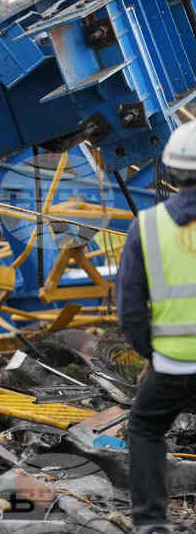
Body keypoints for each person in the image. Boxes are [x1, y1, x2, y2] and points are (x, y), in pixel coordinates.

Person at [117, 121, 196, 534]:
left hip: (172, 365)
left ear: (170, 172)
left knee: (145, 428)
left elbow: (130, 310)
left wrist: (152, 355)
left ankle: (151, 524)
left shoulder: (146, 227)